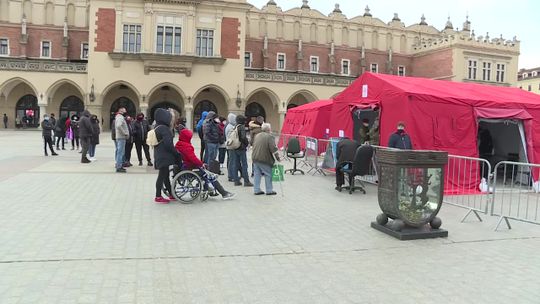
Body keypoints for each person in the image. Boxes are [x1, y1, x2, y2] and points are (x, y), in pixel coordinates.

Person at [175, 128, 235, 200]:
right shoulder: (186, 146)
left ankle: (209, 189)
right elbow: (193, 158)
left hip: (185, 167)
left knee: (205, 172)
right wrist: (201, 164)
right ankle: (223, 193)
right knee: (209, 175)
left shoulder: (179, 144)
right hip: (190, 168)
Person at [153, 108, 183, 204]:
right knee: (161, 177)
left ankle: (171, 194)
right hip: (164, 156)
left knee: (165, 176)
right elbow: (168, 144)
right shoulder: (164, 129)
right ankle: (158, 196)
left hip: (159, 154)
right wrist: (176, 153)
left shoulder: (157, 127)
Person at [251, 123, 280, 195]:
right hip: (264, 158)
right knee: (268, 174)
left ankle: (256, 189)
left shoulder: (257, 135)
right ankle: (269, 190)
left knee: (257, 174)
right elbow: (273, 149)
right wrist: (277, 158)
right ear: (268, 129)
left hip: (255, 157)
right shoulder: (270, 137)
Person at [230, 115, 253, 187]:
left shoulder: (235, 126)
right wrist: (246, 143)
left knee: (235, 164)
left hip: (235, 147)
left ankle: (236, 180)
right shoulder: (241, 127)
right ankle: (246, 181)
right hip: (241, 148)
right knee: (244, 165)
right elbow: (243, 137)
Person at [114, 107, 129, 173]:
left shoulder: (119, 117)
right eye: (124, 109)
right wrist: (125, 133)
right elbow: (118, 126)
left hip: (120, 137)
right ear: (121, 110)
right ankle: (119, 167)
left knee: (119, 152)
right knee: (120, 152)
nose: (125, 110)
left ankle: (119, 165)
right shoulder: (120, 117)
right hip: (121, 137)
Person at [225, 113, 238, 181]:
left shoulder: (230, 126)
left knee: (231, 160)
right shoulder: (230, 127)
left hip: (230, 146)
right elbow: (231, 137)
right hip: (231, 146)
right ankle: (231, 176)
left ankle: (232, 175)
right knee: (232, 161)